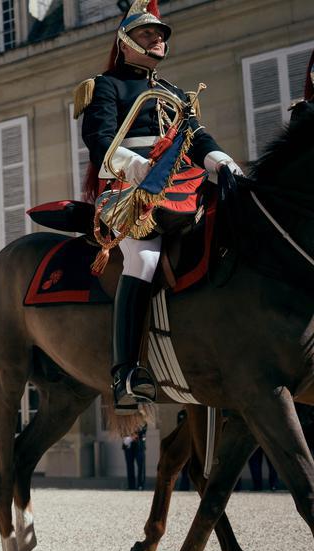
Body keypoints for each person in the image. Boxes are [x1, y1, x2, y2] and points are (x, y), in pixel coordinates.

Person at [77, 0, 243, 414]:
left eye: (160, 35)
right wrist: (140, 169)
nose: (157, 39)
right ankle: (126, 372)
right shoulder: (106, 85)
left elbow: (197, 138)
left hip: (182, 186)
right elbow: (100, 141)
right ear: (125, 42)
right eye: (147, 33)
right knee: (145, 259)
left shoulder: (174, 93)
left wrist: (224, 164)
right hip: (130, 188)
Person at [122, 424, 147, 490]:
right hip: (128, 444)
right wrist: (128, 437)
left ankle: (140, 485)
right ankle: (131, 486)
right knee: (129, 466)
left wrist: (135, 434)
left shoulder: (141, 419)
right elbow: (122, 428)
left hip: (139, 445)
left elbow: (144, 427)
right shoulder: (124, 420)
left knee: (141, 465)